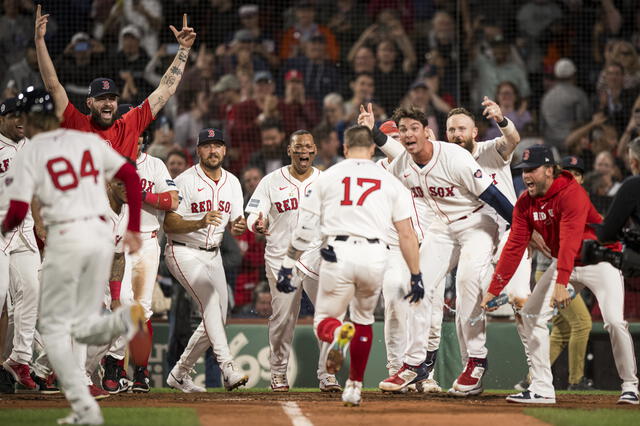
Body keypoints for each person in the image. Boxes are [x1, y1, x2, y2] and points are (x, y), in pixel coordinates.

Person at [1, 88, 146, 424]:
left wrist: (5, 228)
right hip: (99, 237)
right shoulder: (88, 141)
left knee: (54, 327)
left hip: (68, 238)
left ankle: (81, 390)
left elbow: (19, 209)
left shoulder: (31, 151)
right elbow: (130, 178)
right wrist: (135, 227)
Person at [357, 104, 514, 394]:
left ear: (427, 132)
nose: (407, 134)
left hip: (478, 223)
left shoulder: (454, 157)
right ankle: (414, 365)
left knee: (467, 282)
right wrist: (373, 132)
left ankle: (476, 361)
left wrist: (521, 228)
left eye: (414, 128)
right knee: (415, 285)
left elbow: (494, 196)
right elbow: (393, 155)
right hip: (442, 230)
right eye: (403, 130)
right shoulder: (403, 164)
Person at [275, 125, 423, 406]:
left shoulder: (327, 177)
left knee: (324, 321)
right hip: (375, 255)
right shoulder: (390, 181)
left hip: (338, 253)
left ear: (344, 148)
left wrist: (286, 264)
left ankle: (336, 336)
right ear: (372, 149)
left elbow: (305, 228)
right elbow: (407, 234)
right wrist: (416, 275)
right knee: (364, 320)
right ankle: (354, 387)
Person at [481, 145, 639, 405]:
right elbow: (513, 248)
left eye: (532, 170)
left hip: (599, 259)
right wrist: (493, 289)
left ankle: (630, 385)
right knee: (530, 315)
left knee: (613, 321)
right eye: (523, 171)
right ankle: (542, 388)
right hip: (563, 261)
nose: (526, 176)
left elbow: (570, 240)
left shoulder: (571, 192)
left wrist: (562, 283)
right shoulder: (524, 202)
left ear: (550, 170)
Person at [34, 6, 196, 161]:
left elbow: (166, 89)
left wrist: (183, 50)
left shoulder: (130, 124)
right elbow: (53, 86)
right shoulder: (77, 123)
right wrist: (40, 40)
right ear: (89, 102)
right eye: (101, 98)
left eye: (111, 98)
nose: (108, 103)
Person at [245, 130, 340, 392]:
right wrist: (257, 223)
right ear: (289, 150)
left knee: (327, 314)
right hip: (280, 259)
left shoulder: (326, 180)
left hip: (314, 257)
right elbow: (254, 212)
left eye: (308, 147)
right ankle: (277, 373)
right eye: (298, 147)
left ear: (315, 150)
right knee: (283, 317)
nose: (303, 152)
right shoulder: (271, 181)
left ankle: (327, 374)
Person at [163, 128, 249, 393]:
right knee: (211, 302)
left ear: (224, 150)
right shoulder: (185, 180)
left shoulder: (233, 182)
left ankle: (179, 373)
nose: (213, 150)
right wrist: (200, 220)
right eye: (207, 146)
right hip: (182, 250)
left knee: (217, 317)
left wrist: (238, 226)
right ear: (198, 151)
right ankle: (228, 368)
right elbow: (169, 223)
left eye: (218, 145)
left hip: (214, 254)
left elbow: (236, 222)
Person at [102, 131, 179, 393]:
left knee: (143, 309)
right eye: (128, 136)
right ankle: (114, 363)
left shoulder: (155, 165)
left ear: (142, 139)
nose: (134, 141)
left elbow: (172, 201)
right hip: (116, 241)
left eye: (136, 136)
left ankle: (140, 373)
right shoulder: (110, 161)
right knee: (121, 303)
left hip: (147, 240)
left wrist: (140, 194)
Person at [0, 96, 41, 390]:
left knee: (32, 290)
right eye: (13, 115)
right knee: (0, 299)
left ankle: (20, 358)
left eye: (23, 115)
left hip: (25, 231)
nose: (20, 120)